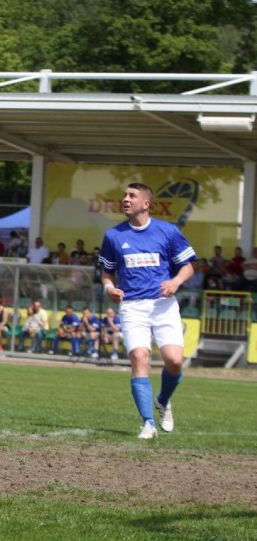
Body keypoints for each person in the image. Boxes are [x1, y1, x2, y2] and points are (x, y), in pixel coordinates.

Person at [100, 182, 197, 440]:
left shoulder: (168, 231)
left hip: (163, 305)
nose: (125, 199)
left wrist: (175, 282)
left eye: (132, 195)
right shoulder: (113, 235)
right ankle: (148, 424)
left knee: (174, 361)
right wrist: (109, 288)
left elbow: (188, 267)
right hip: (132, 306)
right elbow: (107, 272)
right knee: (140, 357)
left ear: (146, 203)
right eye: (124, 195)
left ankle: (163, 400)